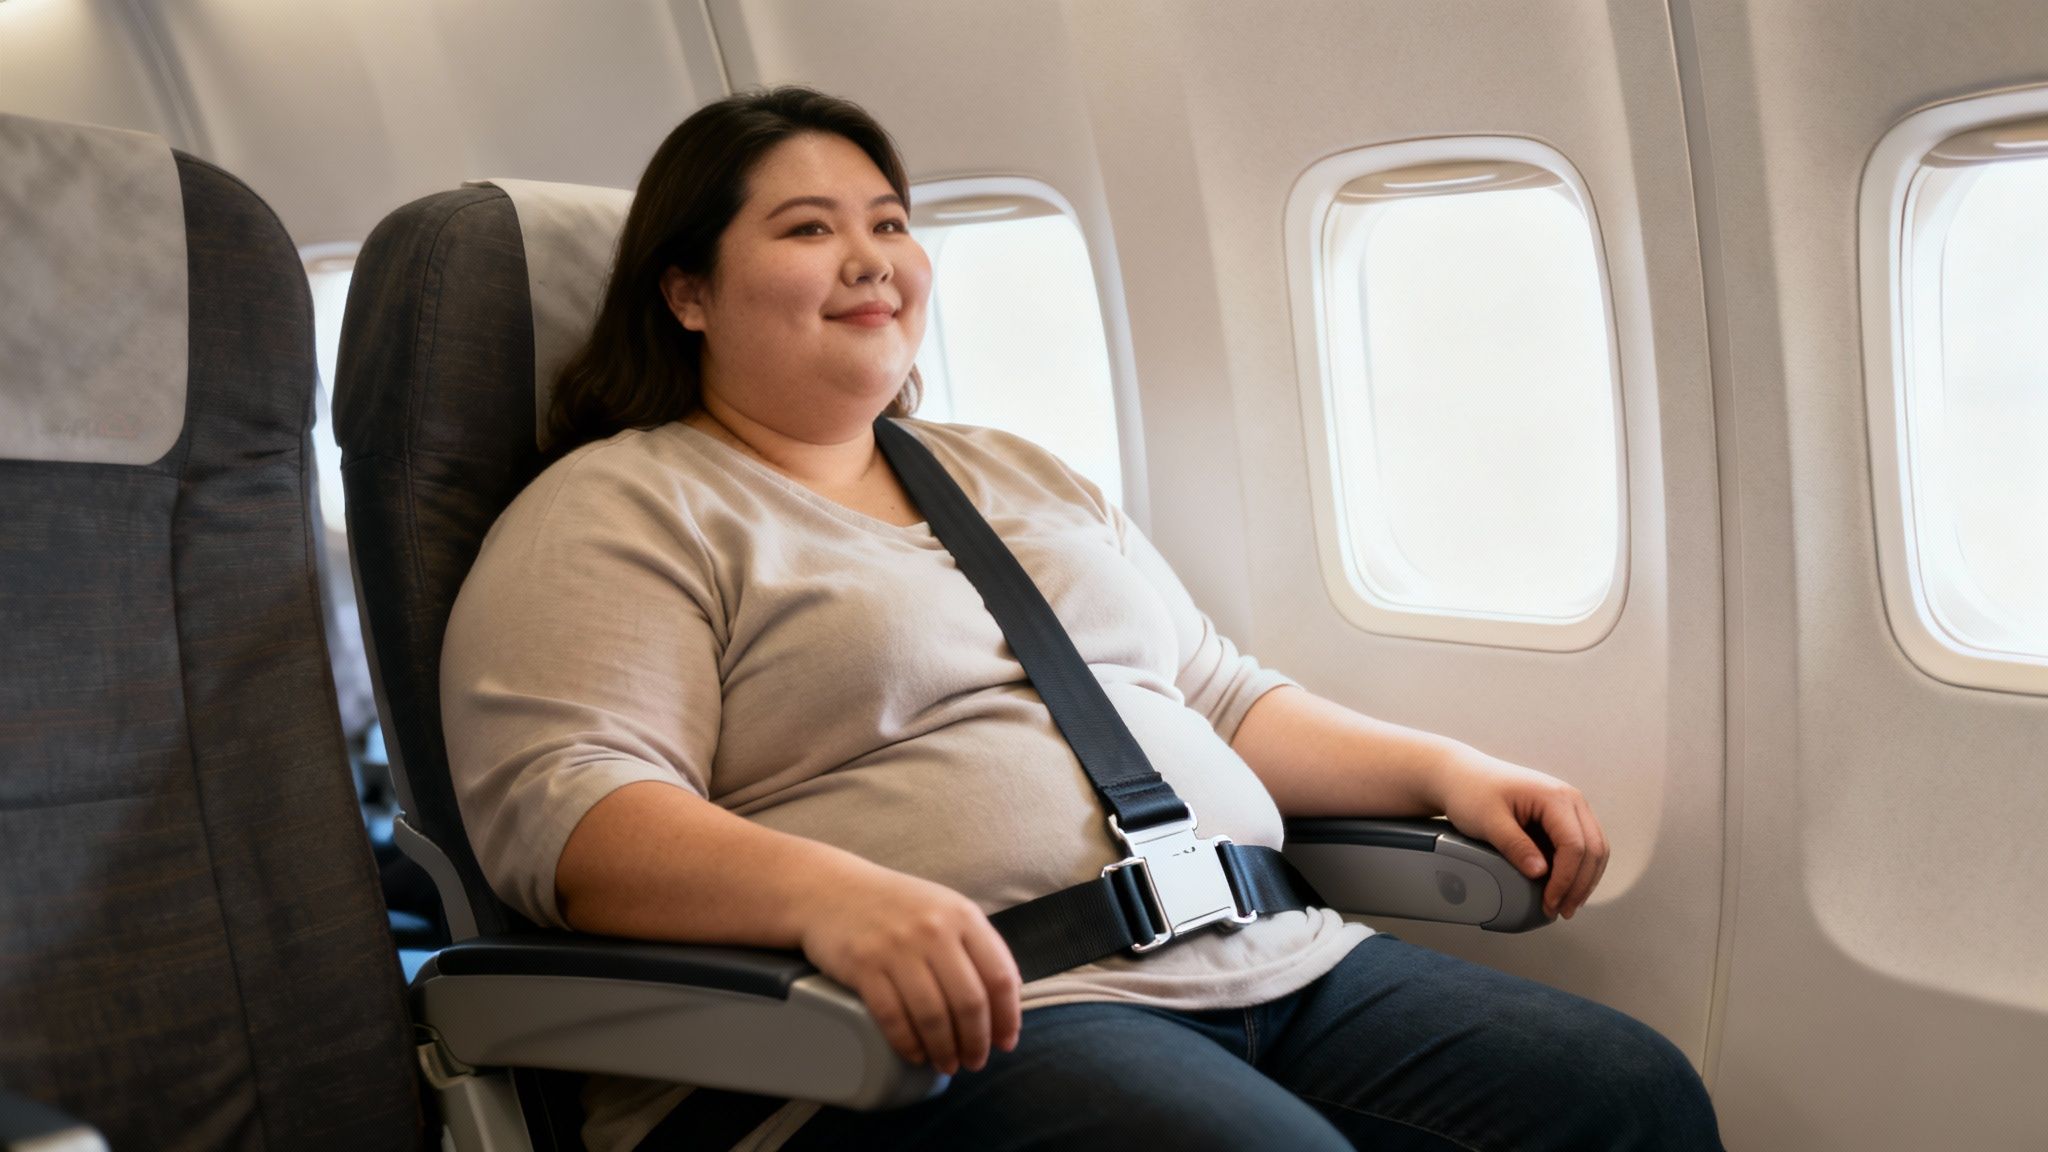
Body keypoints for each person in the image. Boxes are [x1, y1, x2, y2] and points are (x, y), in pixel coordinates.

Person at [440, 86, 1723, 1152]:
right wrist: (835, 900)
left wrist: (1450, 769)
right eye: (807, 228)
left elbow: (1214, 696)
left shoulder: (1011, 471)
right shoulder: (624, 505)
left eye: (888, 219)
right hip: (931, 1028)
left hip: (1258, 951)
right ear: (687, 294)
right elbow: (570, 804)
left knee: (1627, 1098)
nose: (870, 256)